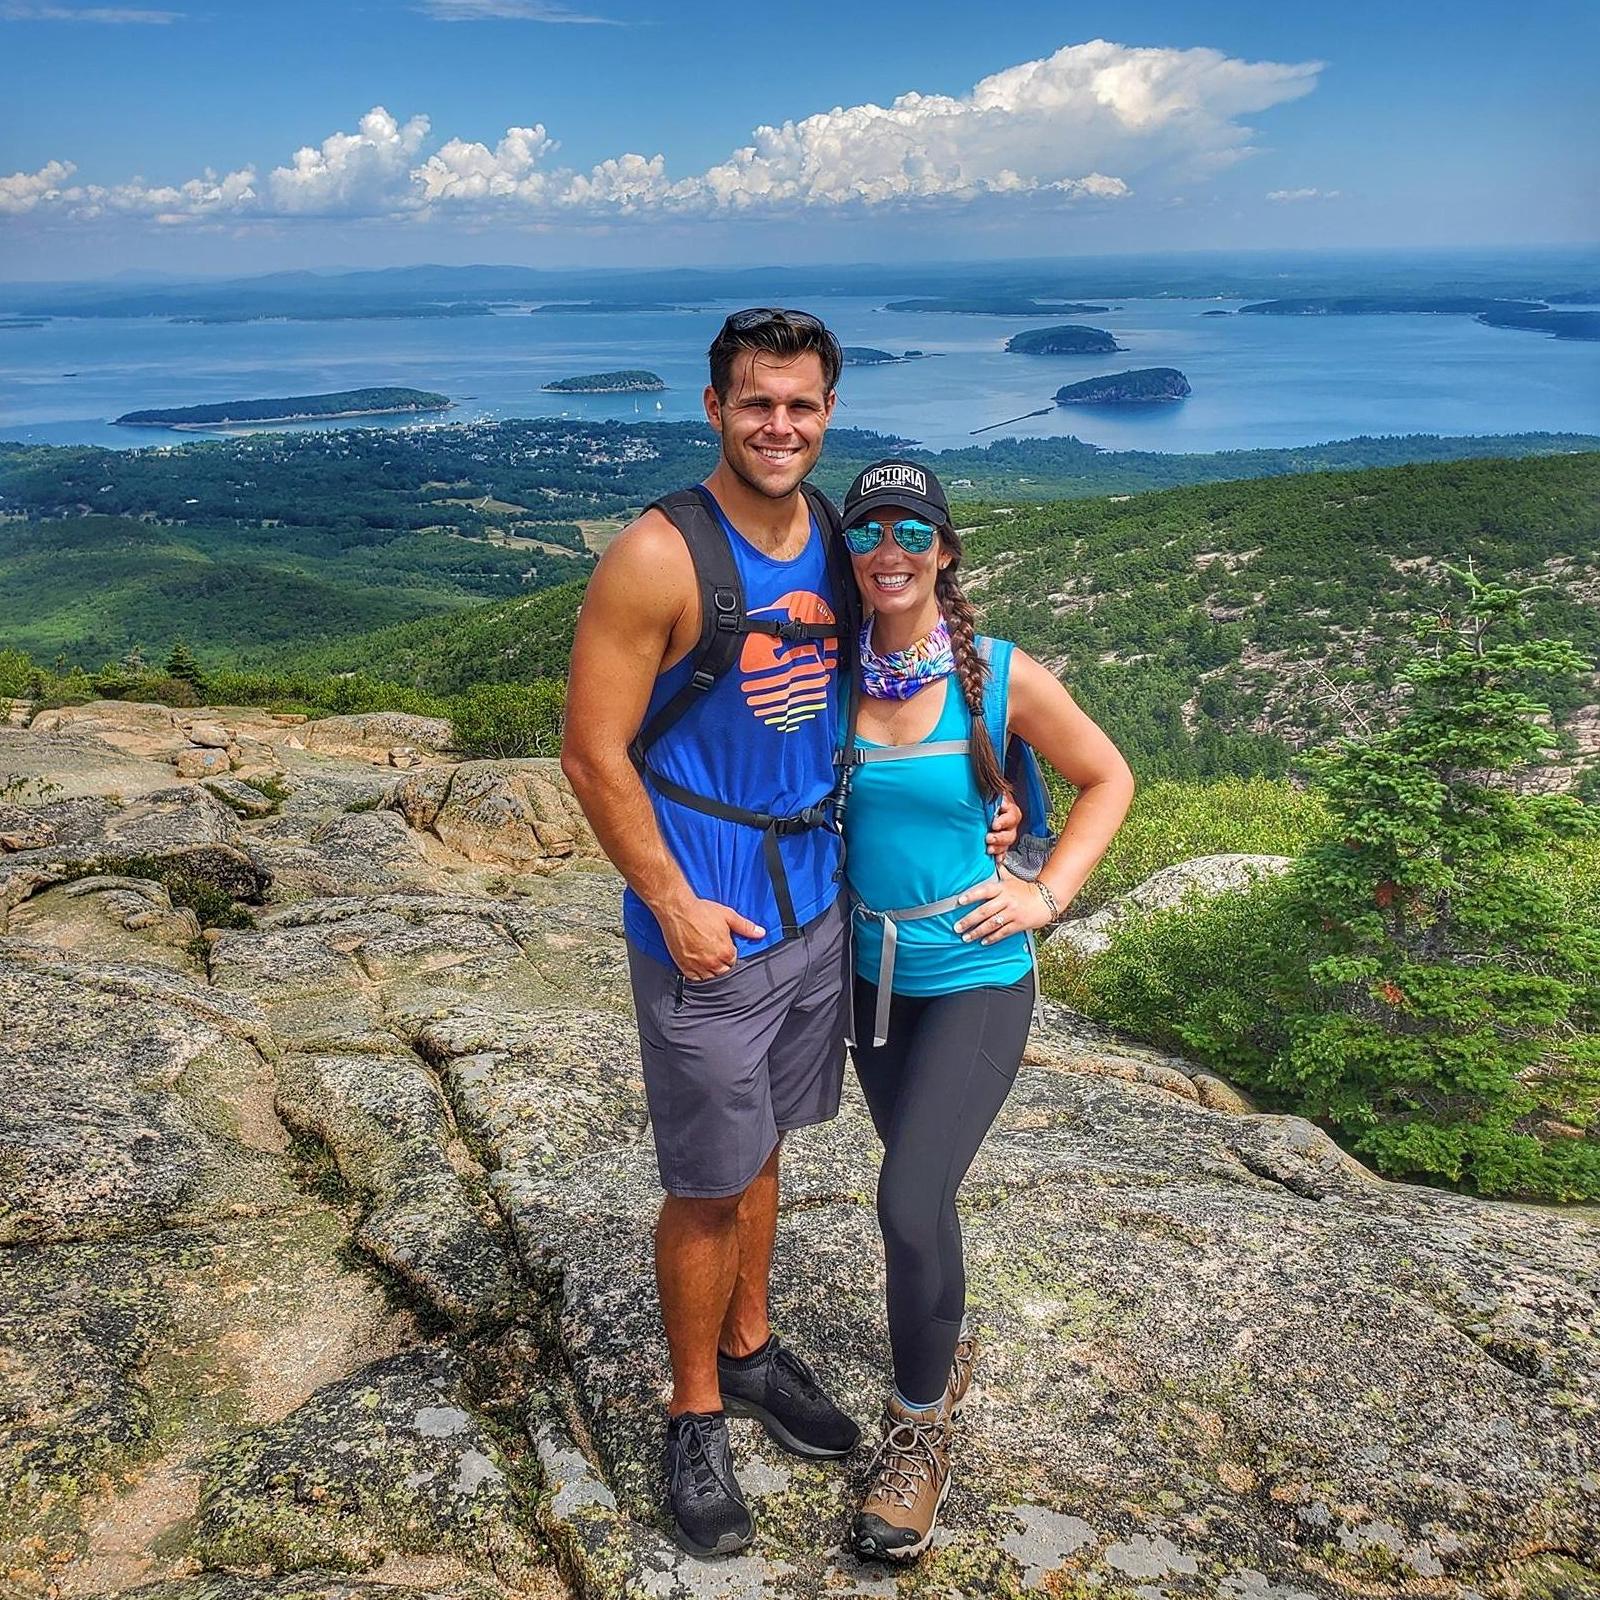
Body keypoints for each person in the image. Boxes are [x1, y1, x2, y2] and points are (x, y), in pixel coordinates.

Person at [561, 311, 1022, 1559]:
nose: (780, 427)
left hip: (817, 909)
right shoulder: (656, 557)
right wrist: (667, 901)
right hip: (709, 916)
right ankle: (694, 1410)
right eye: (757, 404)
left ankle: (753, 1351)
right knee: (706, 1179)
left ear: (828, 413)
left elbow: (915, 664)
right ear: (712, 406)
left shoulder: (829, 535)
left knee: (766, 1147)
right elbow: (591, 753)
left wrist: (999, 786)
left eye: (803, 407)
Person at [834, 457, 1135, 1562]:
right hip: (868, 982)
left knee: (908, 1198)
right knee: (927, 1197)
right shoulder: (825, 676)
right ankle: (940, 1342)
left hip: (972, 976)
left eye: (912, 529)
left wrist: (1044, 896)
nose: (889, 550)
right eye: (868, 532)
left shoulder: (1000, 674)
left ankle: (918, 1432)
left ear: (945, 550)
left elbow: (1107, 777)